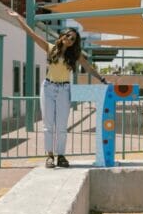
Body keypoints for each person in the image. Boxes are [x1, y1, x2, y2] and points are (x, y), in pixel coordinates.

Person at [8, 10, 107, 168]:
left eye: (73, 39)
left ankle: (61, 155)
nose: (69, 39)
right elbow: (32, 34)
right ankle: (50, 156)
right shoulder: (51, 48)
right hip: (48, 87)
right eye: (68, 35)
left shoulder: (75, 55)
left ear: (75, 42)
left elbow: (88, 68)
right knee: (48, 125)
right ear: (63, 36)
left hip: (64, 90)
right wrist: (18, 18)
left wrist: (102, 79)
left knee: (61, 125)